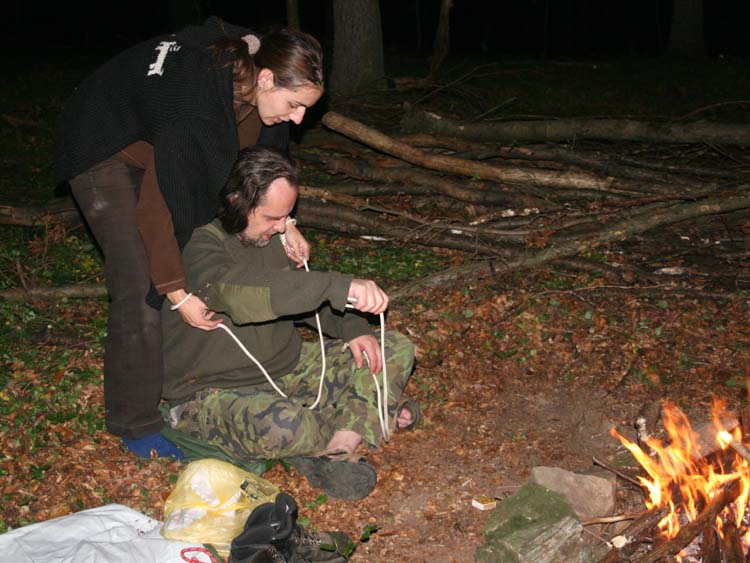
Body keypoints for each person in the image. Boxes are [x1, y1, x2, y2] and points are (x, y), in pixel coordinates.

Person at [53, 17, 324, 458]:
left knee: (194, 232)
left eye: (306, 107)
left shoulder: (262, 74)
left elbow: (265, 173)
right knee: (140, 281)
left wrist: (286, 223)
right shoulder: (197, 106)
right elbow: (158, 207)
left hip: (158, 135)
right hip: (104, 141)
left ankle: (186, 364)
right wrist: (176, 293)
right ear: (266, 80)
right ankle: (136, 422)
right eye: (295, 104)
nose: (299, 118)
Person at [162, 146, 417, 500]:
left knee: (392, 348)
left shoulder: (272, 237)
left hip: (287, 370)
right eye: (273, 217)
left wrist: (354, 330)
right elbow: (239, 294)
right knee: (284, 425)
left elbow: (304, 300)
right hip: (213, 391)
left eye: (288, 217)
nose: (283, 226)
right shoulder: (199, 246)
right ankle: (365, 412)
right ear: (237, 202)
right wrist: (338, 286)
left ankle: (342, 444)